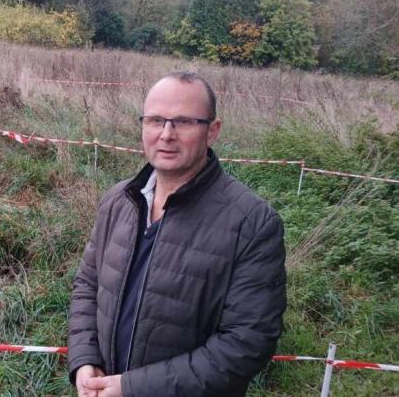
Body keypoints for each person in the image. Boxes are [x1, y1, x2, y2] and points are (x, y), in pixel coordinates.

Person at [67, 72, 287, 397]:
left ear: (213, 131)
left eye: (183, 122)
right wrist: (85, 359)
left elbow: (246, 343)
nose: (166, 135)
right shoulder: (118, 201)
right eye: (155, 120)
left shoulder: (252, 222)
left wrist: (132, 388)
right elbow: (87, 286)